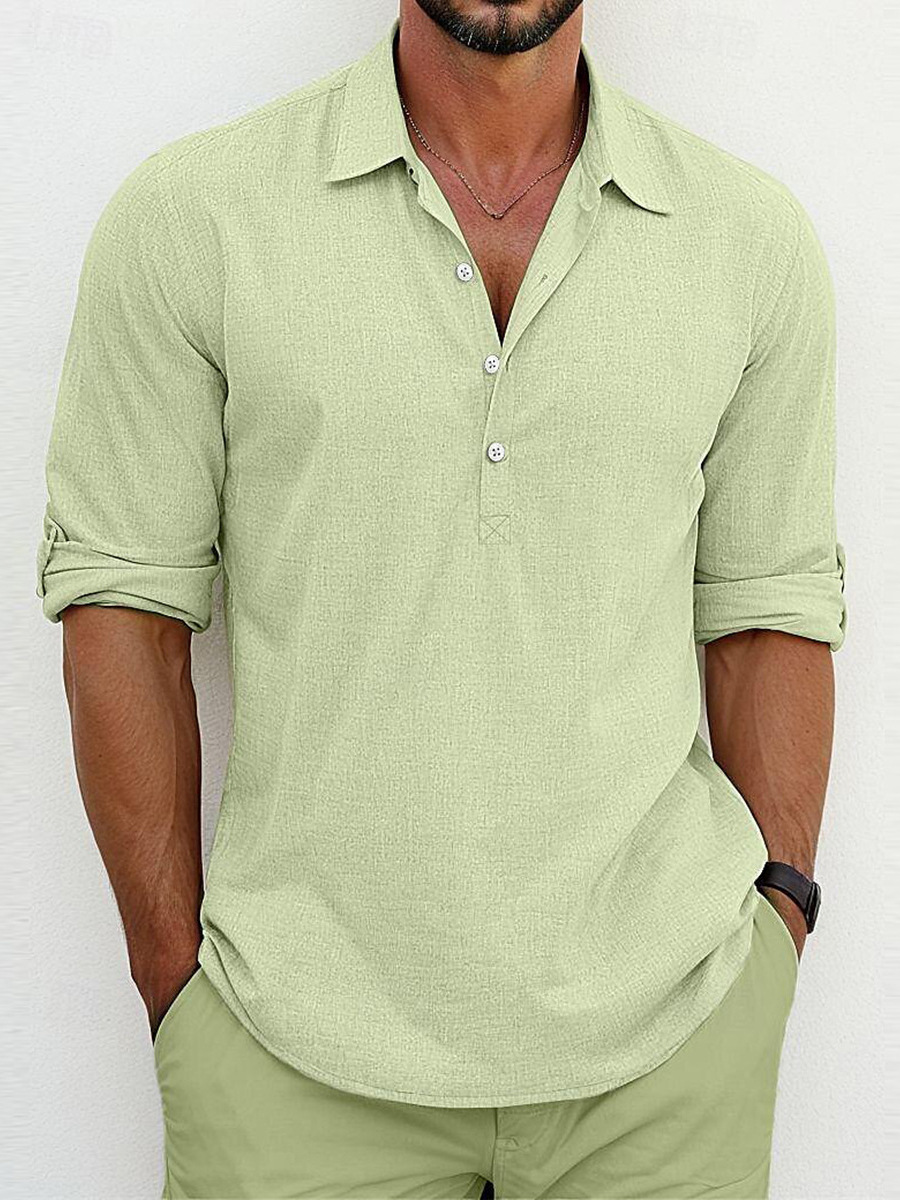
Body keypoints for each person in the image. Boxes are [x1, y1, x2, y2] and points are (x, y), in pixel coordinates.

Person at [36, 2, 847, 1196]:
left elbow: (769, 607)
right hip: (288, 1055)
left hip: (669, 1059)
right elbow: (121, 607)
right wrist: (179, 996)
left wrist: (774, 936)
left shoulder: (747, 238)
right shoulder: (194, 217)